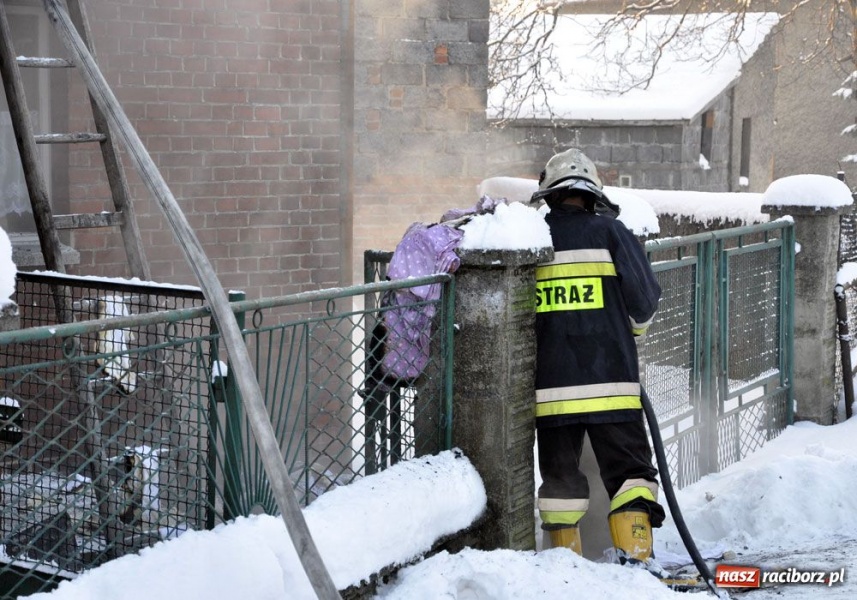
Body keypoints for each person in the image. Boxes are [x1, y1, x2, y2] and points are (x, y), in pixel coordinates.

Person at [530, 148, 670, 579]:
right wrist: (628, 336)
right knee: (630, 475)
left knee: (559, 485)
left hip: (548, 391)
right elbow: (644, 305)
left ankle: (563, 572)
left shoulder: (529, 239)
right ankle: (638, 564)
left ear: (550, 196)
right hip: (612, 383)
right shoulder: (612, 233)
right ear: (592, 196)